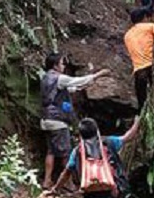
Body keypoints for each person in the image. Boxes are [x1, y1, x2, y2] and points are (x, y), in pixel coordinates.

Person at [40, 52, 109, 188]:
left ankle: (47, 180)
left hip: (46, 119)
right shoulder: (58, 78)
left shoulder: (46, 78)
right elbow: (74, 81)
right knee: (66, 153)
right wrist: (97, 75)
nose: (64, 66)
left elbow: (69, 88)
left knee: (51, 151)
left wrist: (83, 86)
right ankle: (68, 183)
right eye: (61, 63)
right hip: (57, 121)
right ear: (55, 65)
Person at [123, 7, 154, 110]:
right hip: (152, 66)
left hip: (138, 70)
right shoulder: (150, 26)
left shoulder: (127, 35)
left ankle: (142, 119)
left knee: (142, 102)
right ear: (145, 17)